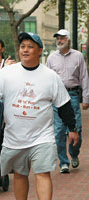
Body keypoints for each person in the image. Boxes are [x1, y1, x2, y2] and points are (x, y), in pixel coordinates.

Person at [0, 32, 79, 200]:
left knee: (42, 174)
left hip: (42, 136)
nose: (25, 50)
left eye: (30, 47)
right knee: (20, 174)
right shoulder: (7, 73)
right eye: (22, 47)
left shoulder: (50, 76)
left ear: (40, 50)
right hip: (14, 137)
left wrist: (72, 128)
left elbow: (64, 105)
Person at [47, 29, 89, 173]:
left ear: (68, 39)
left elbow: (84, 77)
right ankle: (63, 162)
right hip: (57, 97)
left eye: (62, 38)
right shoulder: (51, 58)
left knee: (75, 128)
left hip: (73, 96)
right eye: (58, 38)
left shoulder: (78, 56)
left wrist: (86, 98)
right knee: (58, 131)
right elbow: (47, 80)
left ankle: (74, 153)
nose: (59, 40)